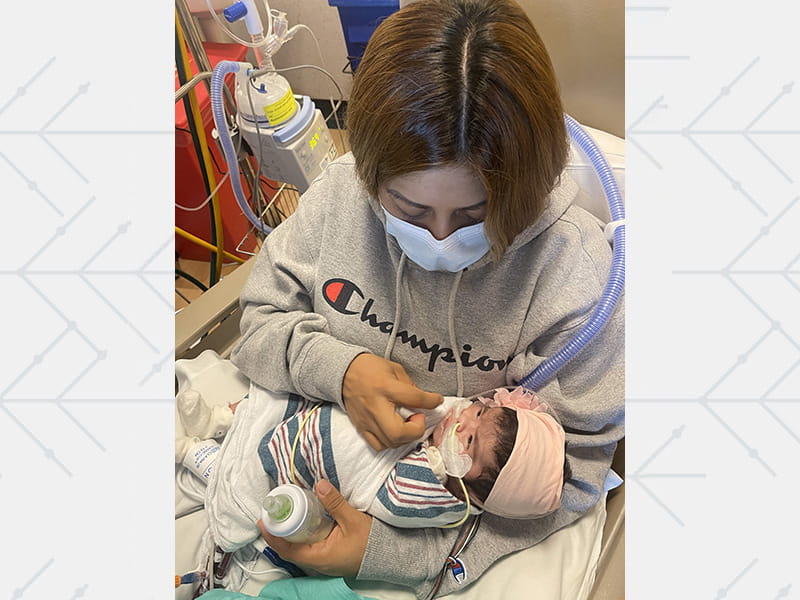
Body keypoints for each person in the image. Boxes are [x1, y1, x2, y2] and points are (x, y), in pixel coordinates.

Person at [229, 0, 624, 596]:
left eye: (475, 215)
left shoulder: (572, 272)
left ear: (528, 189)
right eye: (410, 211)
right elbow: (258, 322)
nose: (439, 239)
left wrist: (396, 554)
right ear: (370, 176)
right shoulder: (340, 198)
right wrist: (341, 371)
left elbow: (570, 476)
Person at [252, 385, 566, 529]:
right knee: (262, 402)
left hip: (294, 468)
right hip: (305, 413)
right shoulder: (450, 419)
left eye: (469, 440)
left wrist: (433, 467)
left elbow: (391, 502)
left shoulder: (434, 501)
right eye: (481, 410)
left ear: (473, 494)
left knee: (250, 478)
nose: (463, 421)